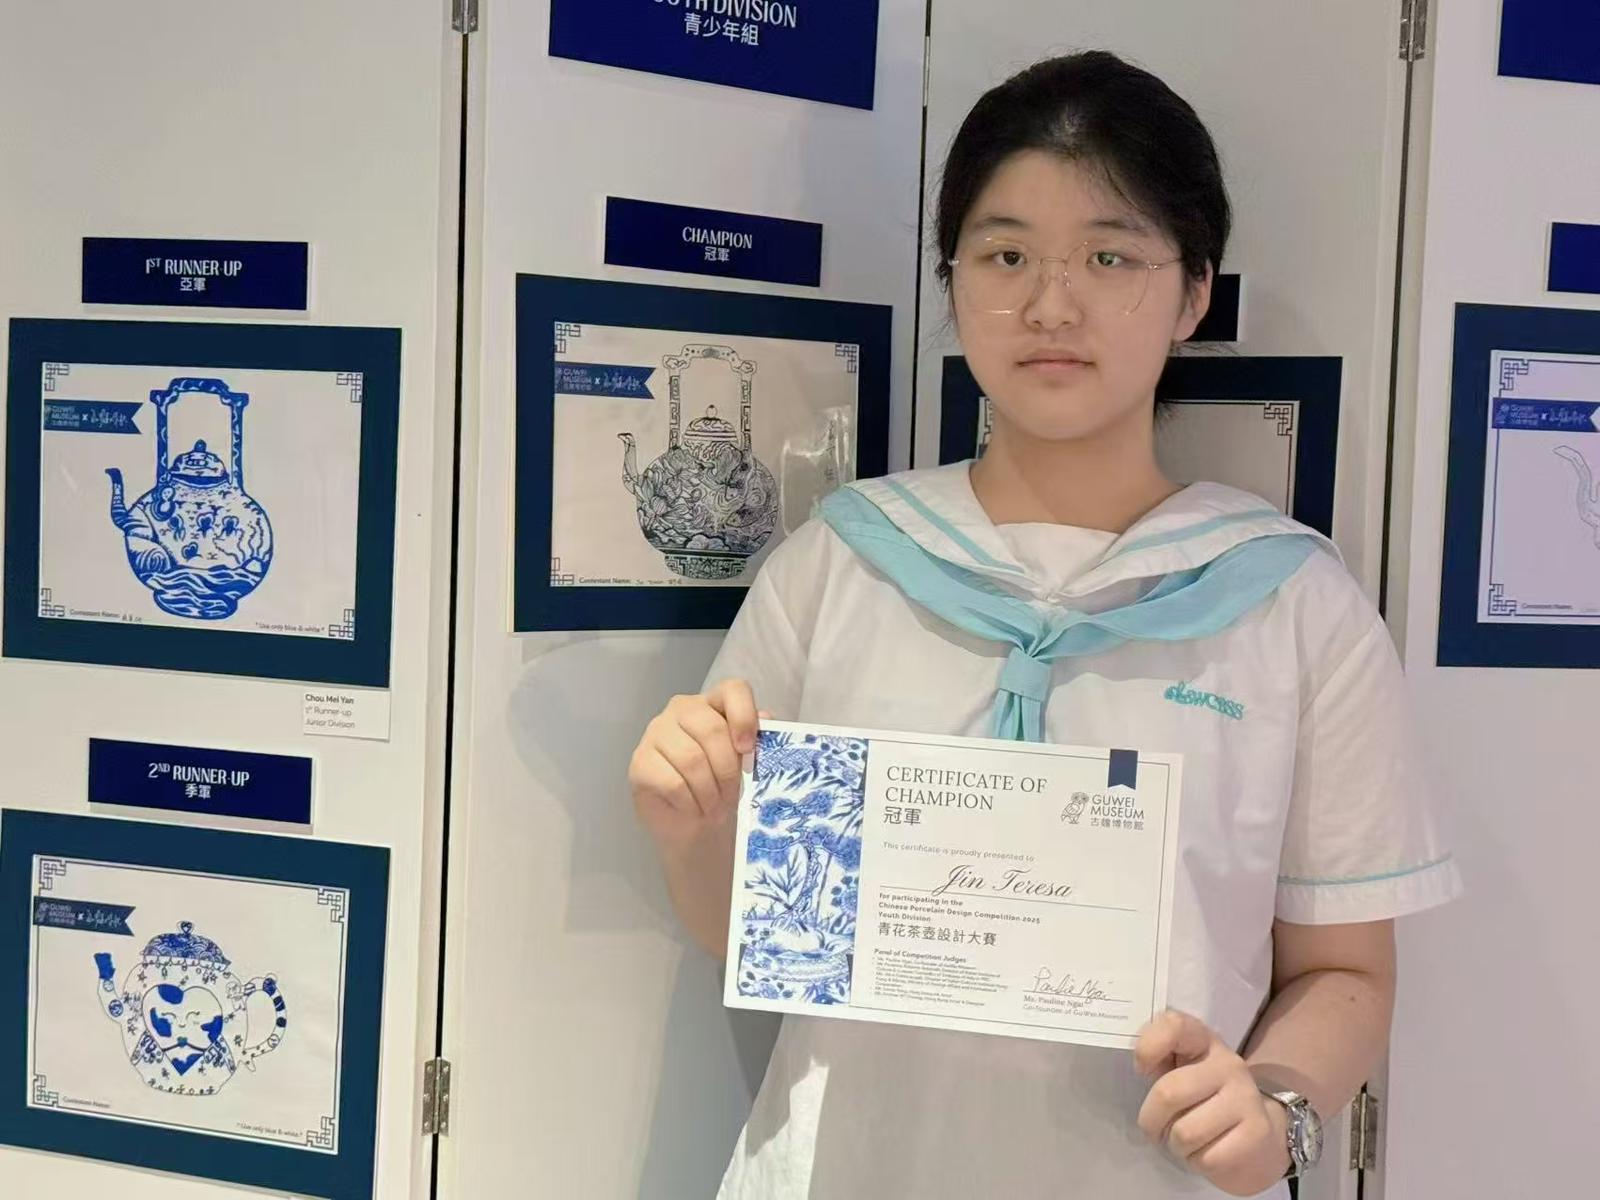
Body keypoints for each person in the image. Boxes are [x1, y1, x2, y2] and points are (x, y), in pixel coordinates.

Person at [628, 51, 1460, 1200]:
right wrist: (690, 824)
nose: (1050, 306)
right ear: (953, 279)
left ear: (1194, 293)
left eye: (1109, 257)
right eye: (1006, 255)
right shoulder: (841, 564)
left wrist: (1274, 1105)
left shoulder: (1289, 601)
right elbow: (755, 935)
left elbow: (1348, 969)